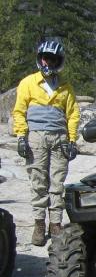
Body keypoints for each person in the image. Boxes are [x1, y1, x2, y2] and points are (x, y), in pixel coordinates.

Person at [13, 38, 80, 247]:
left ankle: (56, 224)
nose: (48, 63)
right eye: (45, 58)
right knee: (38, 181)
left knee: (57, 182)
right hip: (36, 138)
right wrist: (21, 137)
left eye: (52, 59)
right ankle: (39, 224)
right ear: (39, 59)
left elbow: (73, 115)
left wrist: (72, 140)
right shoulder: (28, 83)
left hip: (59, 138)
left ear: (58, 61)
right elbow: (19, 112)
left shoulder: (65, 88)